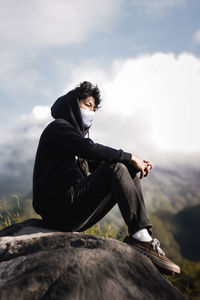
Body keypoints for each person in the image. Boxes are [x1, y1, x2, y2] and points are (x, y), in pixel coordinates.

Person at [32, 81, 180, 275]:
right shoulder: (58, 129)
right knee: (118, 166)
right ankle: (140, 238)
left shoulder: (76, 139)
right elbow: (90, 149)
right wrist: (129, 156)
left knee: (125, 169)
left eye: (94, 108)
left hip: (72, 213)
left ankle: (143, 237)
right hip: (58, 211)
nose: (91, 111)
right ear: (72, 105)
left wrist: (133, 164)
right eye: (87, 105)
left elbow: (98, 163)